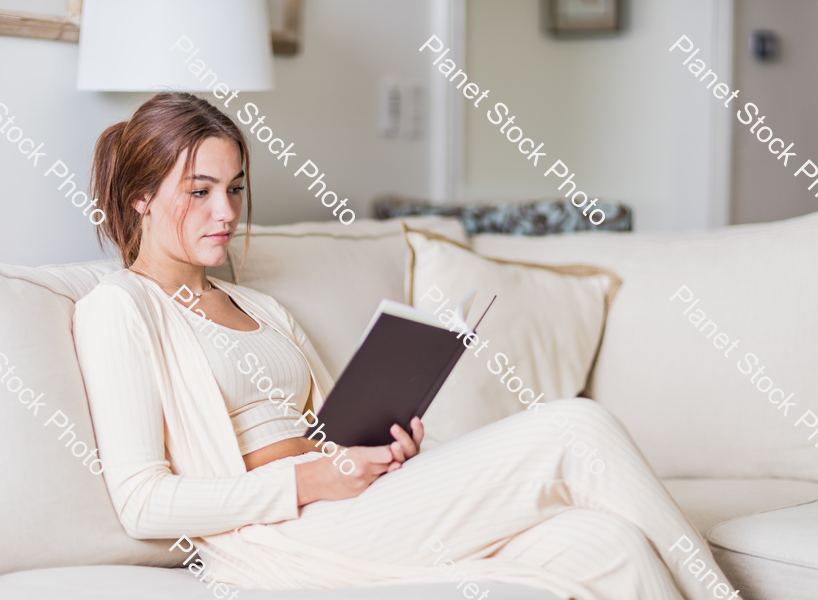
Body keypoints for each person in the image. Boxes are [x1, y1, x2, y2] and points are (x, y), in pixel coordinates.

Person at [72, 92, 735, 600]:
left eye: (235, 188)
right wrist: (311, 478)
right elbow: (143, 503)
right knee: (577, 426)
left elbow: (332, 428)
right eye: (200, 192)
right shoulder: (120, 309)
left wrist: (384, 449)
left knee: (606, 543)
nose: (227, 212)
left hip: (358, 503)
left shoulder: (261, 308)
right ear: (139, 200)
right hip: (279, 537)